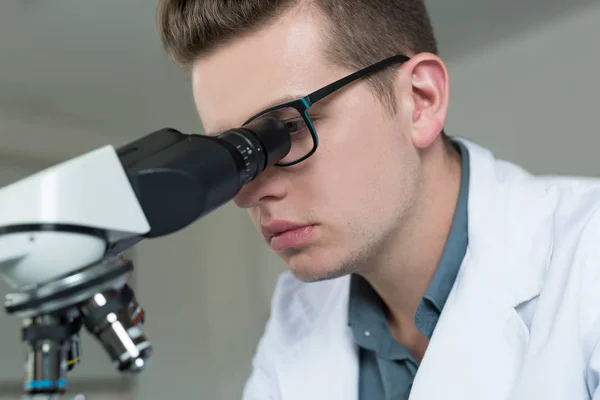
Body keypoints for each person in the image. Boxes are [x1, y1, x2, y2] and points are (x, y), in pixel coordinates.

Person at [156, 1, 600, 399]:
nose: (250, 192)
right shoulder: (298, 312)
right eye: (236, 156)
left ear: (420, 101)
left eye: (287, 129)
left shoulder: (588, 259)